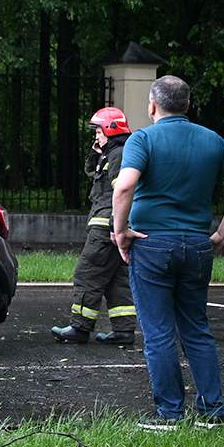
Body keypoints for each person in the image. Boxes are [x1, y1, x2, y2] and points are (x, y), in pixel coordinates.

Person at [111, 75, 224, 426]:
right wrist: (220, 235)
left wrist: (120, 231)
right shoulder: (212, 141)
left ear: (152, 105)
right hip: (197, 244)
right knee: (196, 328)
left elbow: (124, 186)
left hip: (152, 243)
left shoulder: (143, 139)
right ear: (188, 105)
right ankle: (211, 412)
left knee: (158, 333)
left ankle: (170, 414)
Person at [53, 107, 137, 345]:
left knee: (87, 273)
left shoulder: (118, 154)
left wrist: (114, 225)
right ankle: (123, 331)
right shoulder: (112, 154)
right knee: (115, 279)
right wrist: (95, 152)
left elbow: (122, 192)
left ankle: (80, 327)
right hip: (110, 226)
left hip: (105, 227)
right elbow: (91, 172)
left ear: (110, 130)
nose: (96, 136)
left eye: (98, 131)